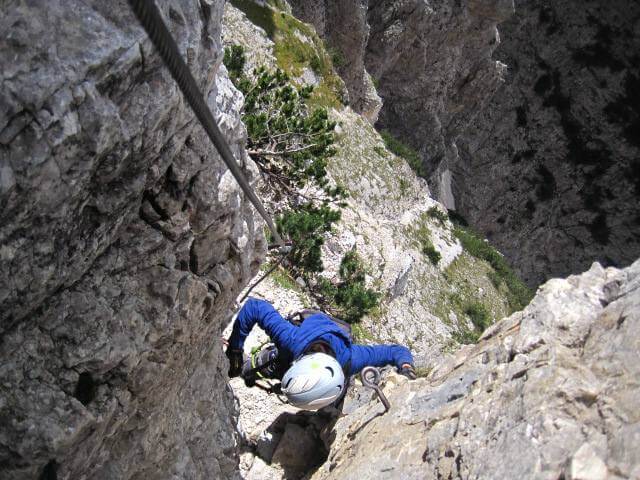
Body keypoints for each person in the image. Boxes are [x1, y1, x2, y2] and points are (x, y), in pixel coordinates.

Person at [225, 298, 417, 410]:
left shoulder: (350, 359)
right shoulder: (290, 339)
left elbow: (396, 352)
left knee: (332, 407)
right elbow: (254, 307)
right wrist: (235, 351)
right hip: (295, 347)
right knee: (263, 364)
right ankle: (257, 365)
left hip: (326, 358)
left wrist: (406, 367)